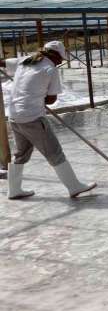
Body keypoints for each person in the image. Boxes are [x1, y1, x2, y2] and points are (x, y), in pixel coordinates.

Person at [1, 41, 97, 199]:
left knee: (21, 154)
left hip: (14, 116)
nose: (60, 62)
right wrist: (37, 98)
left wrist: (30, 94)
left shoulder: (25, 60)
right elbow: (51, 99)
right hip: (32, 117)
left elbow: (3, 63)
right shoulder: (49, 69)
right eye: (60, 58)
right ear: (53, 55)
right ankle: (74, 187)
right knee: (54, 152)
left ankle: (14, 190)